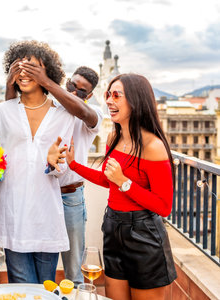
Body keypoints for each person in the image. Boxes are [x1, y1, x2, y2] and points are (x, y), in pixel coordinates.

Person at [61, 73, 177, 299]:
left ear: (136, 100)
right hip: (113, 228)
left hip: (144, 235)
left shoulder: (153, 146)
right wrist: (74, 165)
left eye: (116, 95)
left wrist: (125, 183)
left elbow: (164, 207)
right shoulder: (114, 137)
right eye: (108, 94)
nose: (109, 101)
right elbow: (108, 180)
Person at [0, 40, 76, 284]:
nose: (24, 73)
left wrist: (54, 164)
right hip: (12, 213)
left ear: (48, 72)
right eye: (19, 67)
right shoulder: (3, 111)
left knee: (45, 288)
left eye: (32, 67)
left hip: (46, 215)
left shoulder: (63, 114)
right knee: (23, 287)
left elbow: (62, 170)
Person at [7, 62, 103, 286]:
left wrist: (46, 81)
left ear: (89, 95)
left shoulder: (91, 113)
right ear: (67, 81)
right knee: (42, 265)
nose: (74, 91)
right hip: (40, 195)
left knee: (73, 272)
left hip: (69, 197)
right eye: (72, 85)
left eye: (81, 90)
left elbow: (80, 110)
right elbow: (12, 116)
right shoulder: (50, 109)